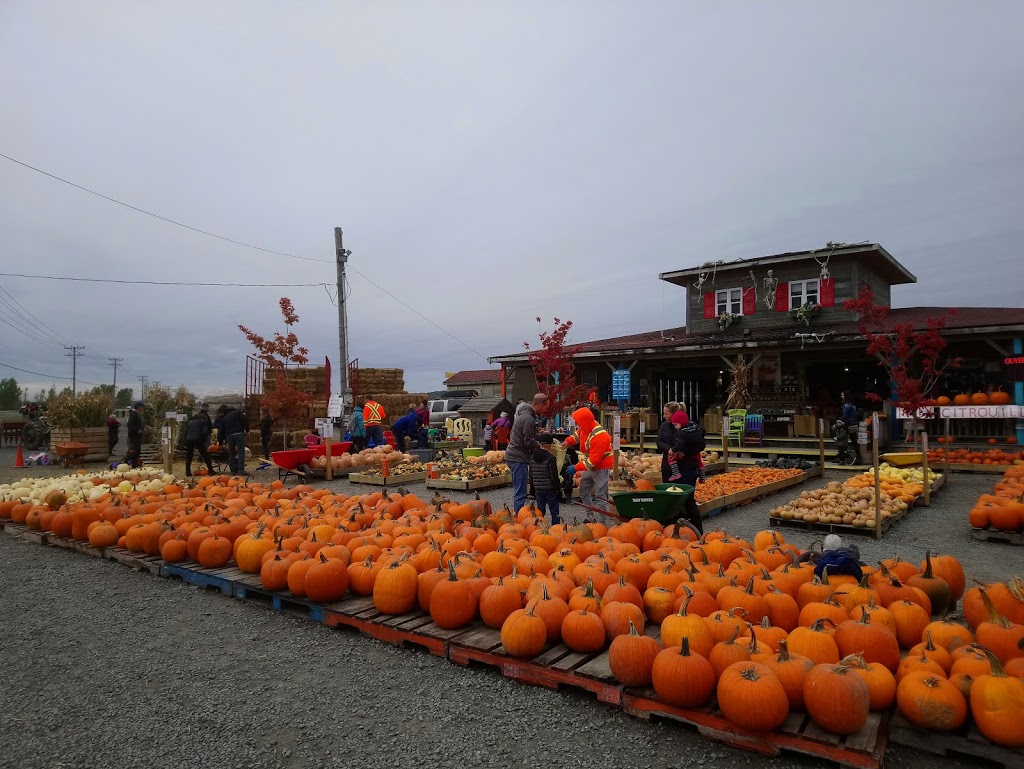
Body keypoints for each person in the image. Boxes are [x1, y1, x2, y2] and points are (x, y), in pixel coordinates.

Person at [564, 406, 613, 514]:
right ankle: (590, 517)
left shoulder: (599, 436)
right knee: (583, 490)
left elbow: (593, 462)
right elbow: (577, 435)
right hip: (591, 465)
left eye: (577, 421)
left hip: (601, 467)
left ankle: (602, 521)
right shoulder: (585, 427)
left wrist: (575, 468)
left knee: (601, 495)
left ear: (583, 421)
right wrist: (568, 441)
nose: (577, 424)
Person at [505, 393, 549, 513]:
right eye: (545, 407)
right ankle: (519, 519)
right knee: (520, 492)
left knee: (520, 489)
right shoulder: (528, 418)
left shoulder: (525, 415)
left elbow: (527, 436)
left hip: (514, 455)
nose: (546, 410)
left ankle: (519, 516)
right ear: (540, 405)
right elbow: (528, 441)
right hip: (517, 457)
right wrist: (540, 447)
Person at [667, 409, 706, 534]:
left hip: (687, 467)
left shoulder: (683, 434)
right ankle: (681, 528)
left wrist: (678, 452)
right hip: (690, 465)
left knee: (688, 498)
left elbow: (685, 446)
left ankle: (697, 529)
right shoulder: (696, 429)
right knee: (683, 498)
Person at [529, 433, 561, 525]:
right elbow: (553, 475)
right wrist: (558, 488)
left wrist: (532, 487)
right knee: (554, 510)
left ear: (540, 444)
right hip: (550, 488)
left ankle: (539, 526)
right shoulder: (551, 458)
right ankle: (555, 527)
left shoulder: (532, 457)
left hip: (538, 488)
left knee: (540, 510)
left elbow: (531, 474)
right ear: (549, 445)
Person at [182, 410, 214, 476]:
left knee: (189, 455)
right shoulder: (203, 421)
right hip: (198, 439)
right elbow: (205, 432)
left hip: (189, 439)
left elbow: (185, 432)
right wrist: (203, 440)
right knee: (205, 455)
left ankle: (187, 471)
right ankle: (211, 470)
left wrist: (185, 440)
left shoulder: (190, 422)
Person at [656, 402, 682, 483]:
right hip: (667, 465)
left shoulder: (683, 426)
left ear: (674, 414)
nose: (664, 416)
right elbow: (659, 442)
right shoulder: (664, 426)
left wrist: (677, 450)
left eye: (666, 414)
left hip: (682, 465)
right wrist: (669, 450)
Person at [221, 404, 249, 475]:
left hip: (229, 436)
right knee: (240, 452)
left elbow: (221, 430)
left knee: (231, 453)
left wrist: (221, 441)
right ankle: (240, 470)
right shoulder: (238, 413)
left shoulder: (225, 417)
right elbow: (245, 420)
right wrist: (247, 430)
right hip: (239, 433)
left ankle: (232, 470)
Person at [123, 401, 144, 469]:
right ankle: (124, 462)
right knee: (134, 451)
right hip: (133, 436)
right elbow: (130, 424)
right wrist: (137, 430)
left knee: (137, 451)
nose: (143, 408)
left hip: (137, 437)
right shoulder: (134, 415)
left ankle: (134, 465)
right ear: (138, 407)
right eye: (141, 406)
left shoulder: (137, 415)